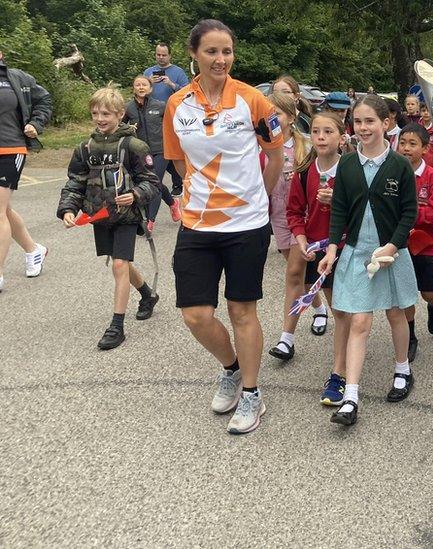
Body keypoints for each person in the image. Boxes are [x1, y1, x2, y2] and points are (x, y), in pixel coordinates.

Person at [162, 19, 285, 435]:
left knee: (241, 310)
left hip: (247, 223)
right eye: (212, 51)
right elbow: (179, 163)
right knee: (195, 314)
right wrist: (199, 196)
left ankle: (251, 393)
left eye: (227, 51)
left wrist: (258, 201)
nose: (220, 59)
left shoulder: (254, 101)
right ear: (194, 54)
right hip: (197, 223)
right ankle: (231, 369)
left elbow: (276, 159)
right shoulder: (178, 104)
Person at [318, 94, 418, 424]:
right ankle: (351, 397)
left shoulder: (400, 164)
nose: (363, 128)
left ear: (386, 124)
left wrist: (393, 246)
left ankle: (402, 368)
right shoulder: (347, 163)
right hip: (358, 251)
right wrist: (333, 248)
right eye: (358, 122)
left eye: (370, 121)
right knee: (359, 320)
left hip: (391, 251)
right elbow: (340, 209)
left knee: (395, 312)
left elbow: (409, 212)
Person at [56, 86, 161, 350]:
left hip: (126, 216)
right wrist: (69, 209)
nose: (100, 118)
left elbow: (151, 182)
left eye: (106, 113)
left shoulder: (134, 145)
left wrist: (135, 194)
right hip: (100, 216)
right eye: (95, 113)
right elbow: (75, 182)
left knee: (119, 265)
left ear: (119, 114)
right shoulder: (85, 148)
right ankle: (147, 294)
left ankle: (117, 326)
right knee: (120, 262)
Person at [286, 112, 349, 405]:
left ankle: (338, 374)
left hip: (350, 249)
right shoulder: (303, 172)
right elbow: (294, 213)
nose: (321, 137)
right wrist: (301, 241)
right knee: (339, 310)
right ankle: (342, 366)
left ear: (341, 136)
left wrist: (337, 200)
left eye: (328, 131)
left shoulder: (353, 170)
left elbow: (368, 211)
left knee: (344, 311)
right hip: (318, 251)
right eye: (316, 131)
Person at [264, 91, 330, 361]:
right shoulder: (261, 144)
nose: (271, 119)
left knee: (294, 272)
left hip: (302, 215)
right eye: (268, 114)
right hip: (276, 214)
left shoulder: (305, 144)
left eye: (277, 114)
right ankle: (319, 308)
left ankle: (286, 339)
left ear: (291, 118)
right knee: (301, 277)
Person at [0, 50, 51, 292]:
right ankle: (34, 250)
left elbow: (44, 100)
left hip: (10, 149)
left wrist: (36, 123)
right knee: (4, 209)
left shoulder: (16, 78)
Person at [398, 122, 433, 364]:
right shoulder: (392, 172)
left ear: (425, 148)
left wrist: (413, 214)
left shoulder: (432, 176)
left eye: (412, 144)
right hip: (399, 244)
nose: (406, 148)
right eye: (403, 143)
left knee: (428, 292)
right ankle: (410, 336)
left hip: (426, 243)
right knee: (405, 294)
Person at [123, 75, 180, 230]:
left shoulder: (161, 105)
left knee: (153, 182)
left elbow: (173, 124)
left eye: (144, 85)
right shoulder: (129, 108)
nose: (141, 87)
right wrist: (128, 129)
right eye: (137, 85)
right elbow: (120, 126)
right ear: (133, 88)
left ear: (150, 88)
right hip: (141, 152)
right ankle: (173, 203)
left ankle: (150, 220)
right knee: (155, 182)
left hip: (161, 150)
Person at [144, 43, 191, 196]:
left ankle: (178, 184)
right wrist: (149, 83)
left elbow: (188, 92)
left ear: (170, 55)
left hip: (172, 115)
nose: (161, 57)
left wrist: (171, 84)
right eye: (158, 54)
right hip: (152, 117)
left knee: (173, 149)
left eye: (164, 55)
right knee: (157, 151)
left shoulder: (178, 71)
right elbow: (140, 90)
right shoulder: (148, 71)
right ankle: (161, 179)